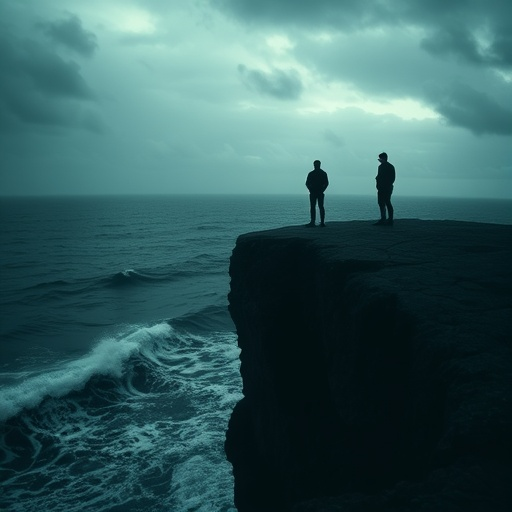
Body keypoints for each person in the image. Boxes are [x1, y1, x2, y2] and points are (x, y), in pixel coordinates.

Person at [374, 152, 395, 225]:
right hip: (381, 188)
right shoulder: (381, 167)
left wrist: (386, 185)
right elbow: (378, 177)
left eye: (381, 158)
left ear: (385, 158)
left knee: (387, 202)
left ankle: (390, 219)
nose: (380, 160)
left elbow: (392, 178)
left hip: (386, 188)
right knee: (381, 203)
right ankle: (384, 218)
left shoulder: (390, 167)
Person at [306, 160, 329, 227]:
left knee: (320, 207)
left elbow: (326, 183)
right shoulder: (312, 174)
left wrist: (322, 190)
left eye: (317, 165)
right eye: (315, 165)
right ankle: (313, 221)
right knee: (314, 207)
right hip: (314, 192)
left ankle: (321, 222)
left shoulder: (323, 173)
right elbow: (307, 183)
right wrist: (310, 190)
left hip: (318, 192)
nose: (316, 166)